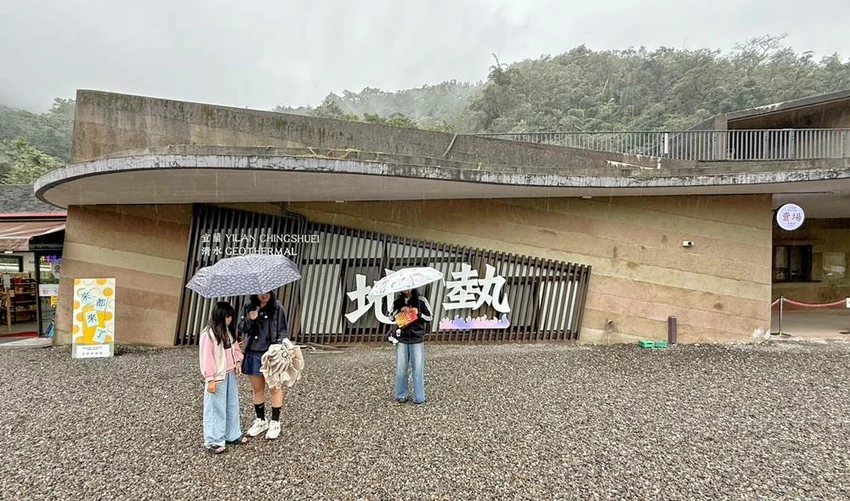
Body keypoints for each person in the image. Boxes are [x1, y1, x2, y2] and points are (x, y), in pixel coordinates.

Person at [238, 290, 289, 440]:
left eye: (267, 292)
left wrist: (278, 347)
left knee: (274, 387)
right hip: (252, 352)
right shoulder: (248, 306)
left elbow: (283, 331)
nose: (264, 295)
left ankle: (275, 422)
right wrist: (250, 319)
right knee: (257, 388)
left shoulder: (277, 307)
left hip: (271, 353)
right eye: (260, 292)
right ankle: (261, 420)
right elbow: (241, 328)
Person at [199, 301, 248, 454]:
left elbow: (235, 348)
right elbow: (206, 357)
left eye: (230, 317)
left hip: (230, 373)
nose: (230, 320)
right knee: (215, 408)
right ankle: (213, 440)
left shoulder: (228, 331)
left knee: (232, 404)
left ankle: (232, 434)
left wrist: (238, 361)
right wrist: (210, 378)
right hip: (217, 376)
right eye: (227, 317)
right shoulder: (208, 334)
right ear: (220, 316)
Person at [390, 288, 432, 405]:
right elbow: (391, 317)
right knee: (401, 368)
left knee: (418, 368)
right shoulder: (397, 302)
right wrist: (400, 310)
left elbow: (429, 317)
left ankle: (419, 397)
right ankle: (401, 395)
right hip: (402, 338)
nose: (406, 290)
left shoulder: (421, 300)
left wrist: (418, 313)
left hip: (417, 338)